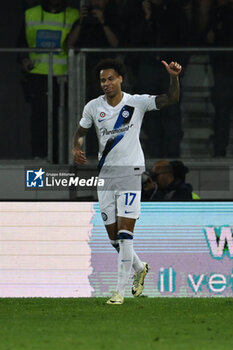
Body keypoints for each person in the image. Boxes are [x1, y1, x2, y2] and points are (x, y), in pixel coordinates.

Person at [72, 58, 182, 304]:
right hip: (105, 178)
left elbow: (171, 99)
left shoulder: (136, 102)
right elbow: (80, 132)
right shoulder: (93, 107)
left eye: (111, 78)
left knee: (124, 236)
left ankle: (119, 293)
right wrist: (75, 148)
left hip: (131, 175)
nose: (106, 83)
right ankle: (140, 268)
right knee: (114, 239)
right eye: (103, 80)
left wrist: (174, 77)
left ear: (121, 78)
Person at [18, 0, 79, 161]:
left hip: (64, 75)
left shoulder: (74, 15)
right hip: (38, 74)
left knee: (63, 117)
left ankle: (61, 156)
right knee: (39, 116)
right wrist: (23, 60)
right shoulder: (31, 14)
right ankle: (39, 155)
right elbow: (21, 44)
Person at [206, 0, 233, 156]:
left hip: (223, 70)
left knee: (222, 113)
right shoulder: (218, 14)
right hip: (223, 70)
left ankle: (219, 150)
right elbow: (208, 37)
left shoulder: (219, 14)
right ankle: (219, 150)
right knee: (222, 113)